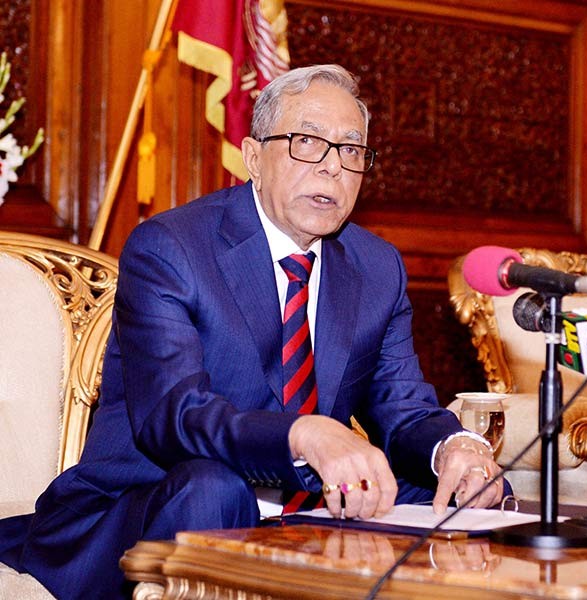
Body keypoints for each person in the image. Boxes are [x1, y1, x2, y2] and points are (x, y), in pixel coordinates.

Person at [0, 64, 507, 598]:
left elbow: (402, 406)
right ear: (253, 157)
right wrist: (302, 434)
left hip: (307, 501)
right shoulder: (170, 248)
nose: (333, 167)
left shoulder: (376, 267)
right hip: (152, 504)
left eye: (351, 150)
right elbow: (173, 417)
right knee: (213, 488)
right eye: (308, 142)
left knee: (469, 492)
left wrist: (454, 446)